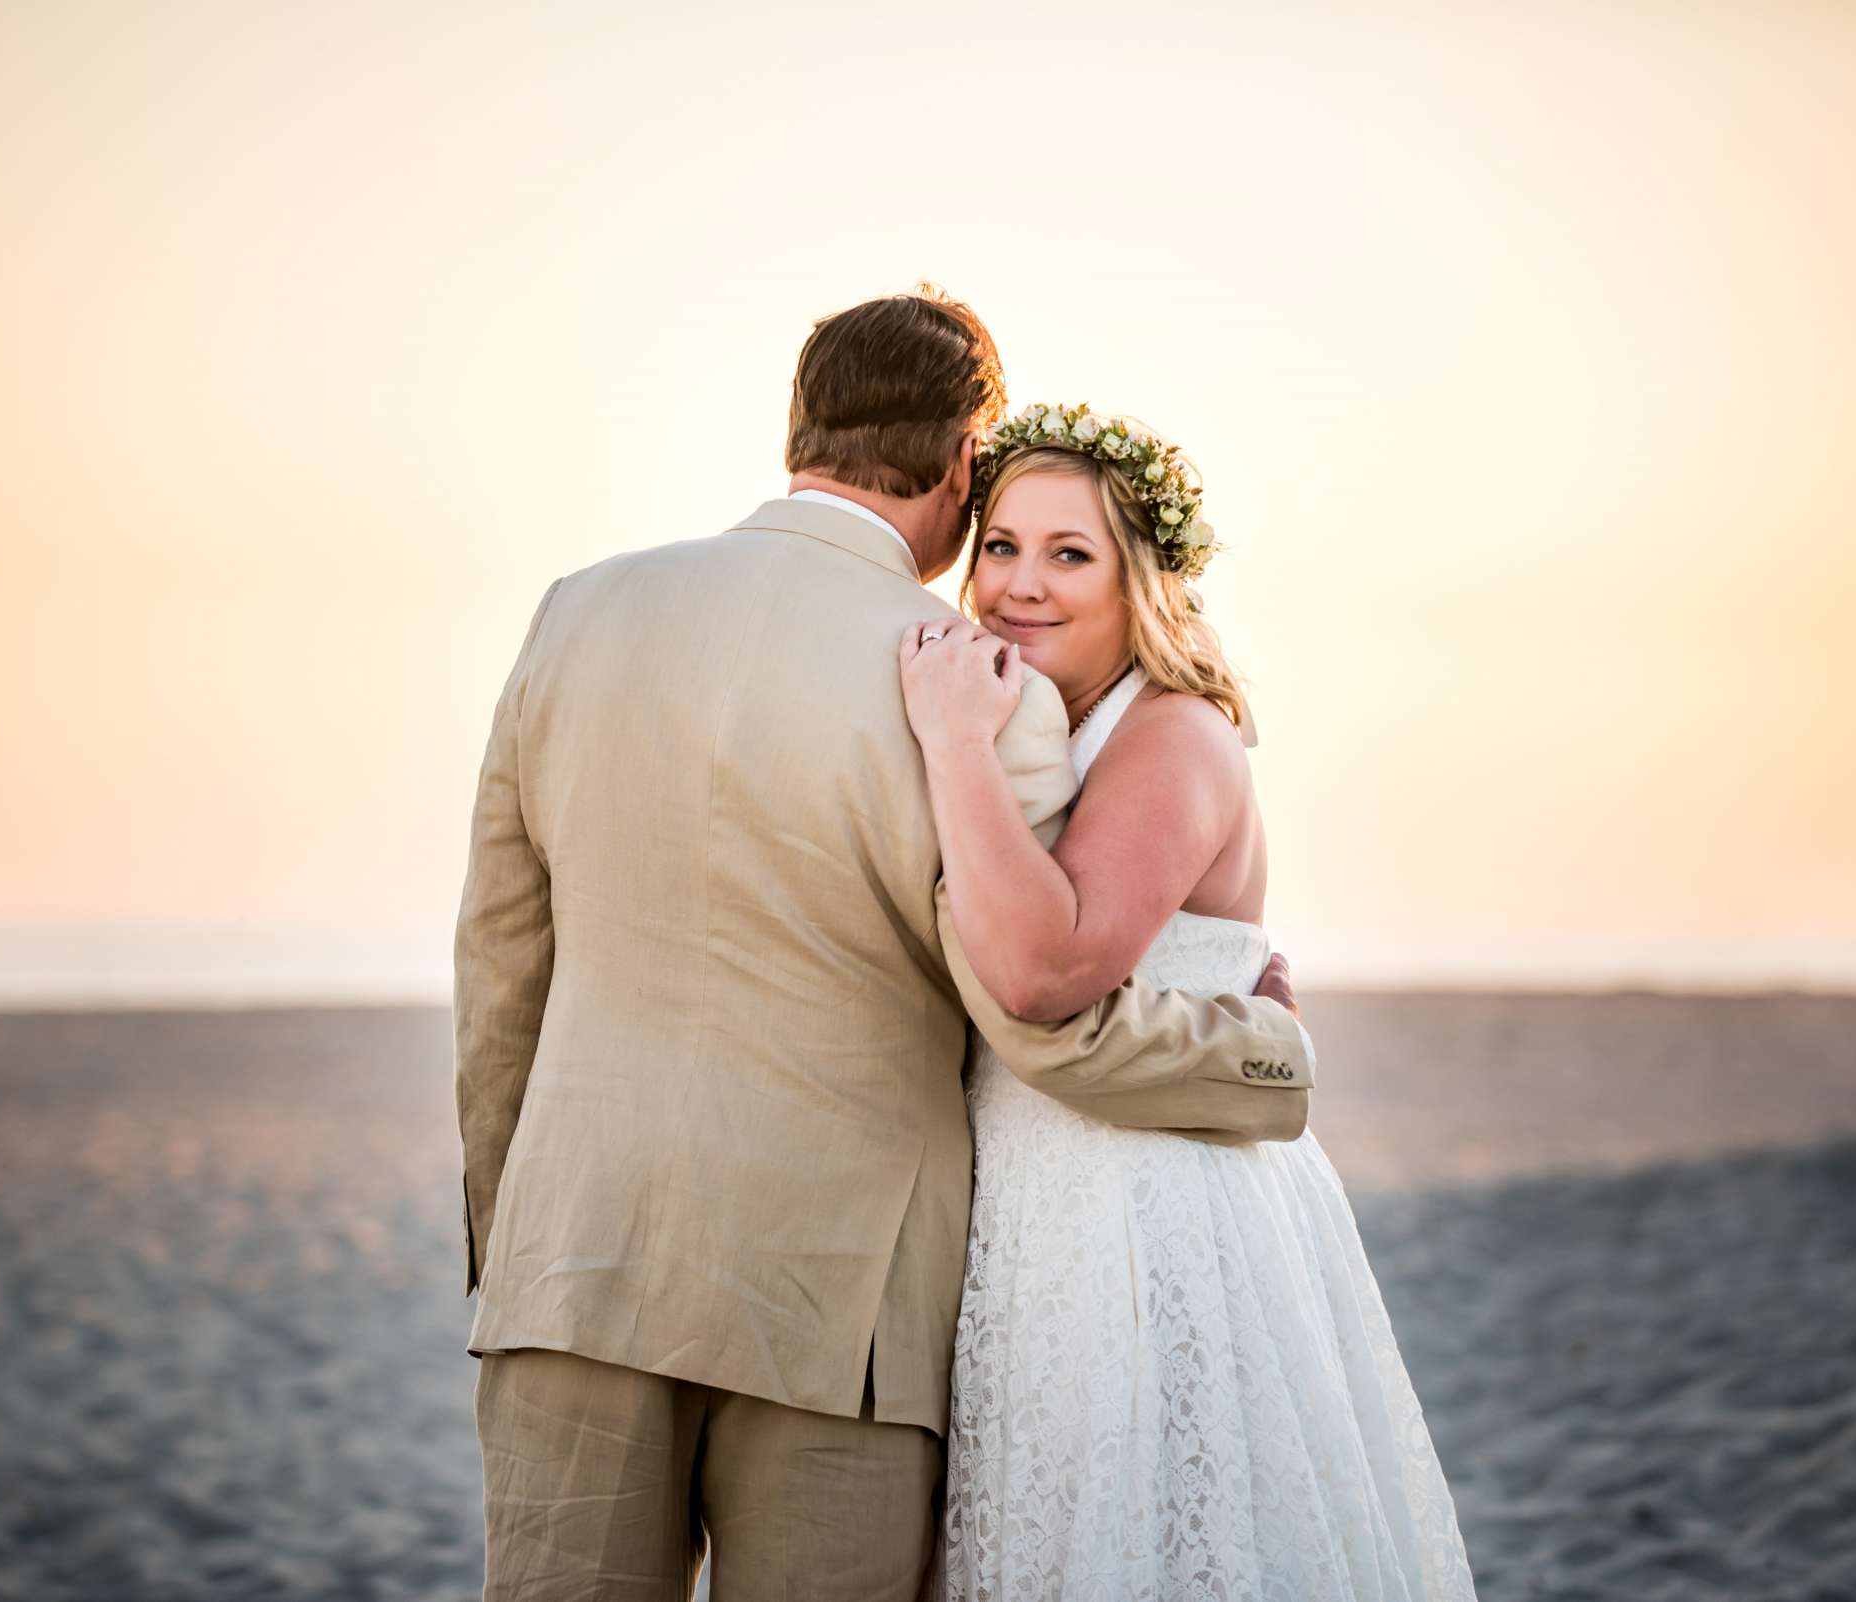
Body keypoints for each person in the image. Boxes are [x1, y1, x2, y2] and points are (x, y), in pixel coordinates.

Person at [453, 292, 1316, 1601]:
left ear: (800, 425)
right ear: (967, 464)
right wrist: (1259, 1053)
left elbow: (502, 981)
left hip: (574, 1270)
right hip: (838, 1319)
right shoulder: (973, 685)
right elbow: (1041, 1008)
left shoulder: (577, 617)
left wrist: (512, 1258)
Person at [900, 403, 1479, 1599]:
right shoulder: (1041, 719)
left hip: (1149, 1207)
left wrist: (952, 750)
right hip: (1039, 1195)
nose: (1020, 585)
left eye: (1070, 555)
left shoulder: (1169, 735)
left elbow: (1051, 972)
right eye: (1001, 546)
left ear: (1140, 579)